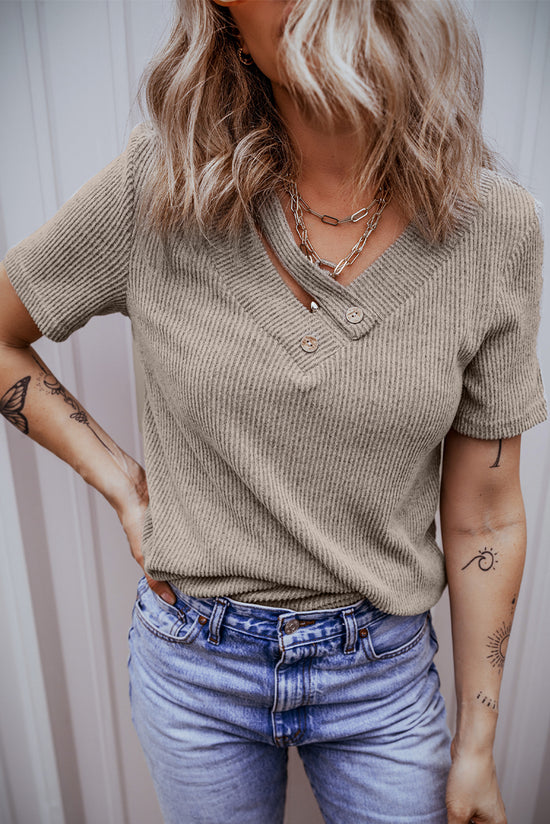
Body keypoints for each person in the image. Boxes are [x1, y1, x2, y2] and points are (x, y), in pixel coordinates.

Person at [0, 0, 546, 822]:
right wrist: (121, 484)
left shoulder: (494, 231)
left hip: (382, 676)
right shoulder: (160, 187)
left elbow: (486, 518)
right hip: (194, 669)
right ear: (223, 17)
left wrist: (476, 746)